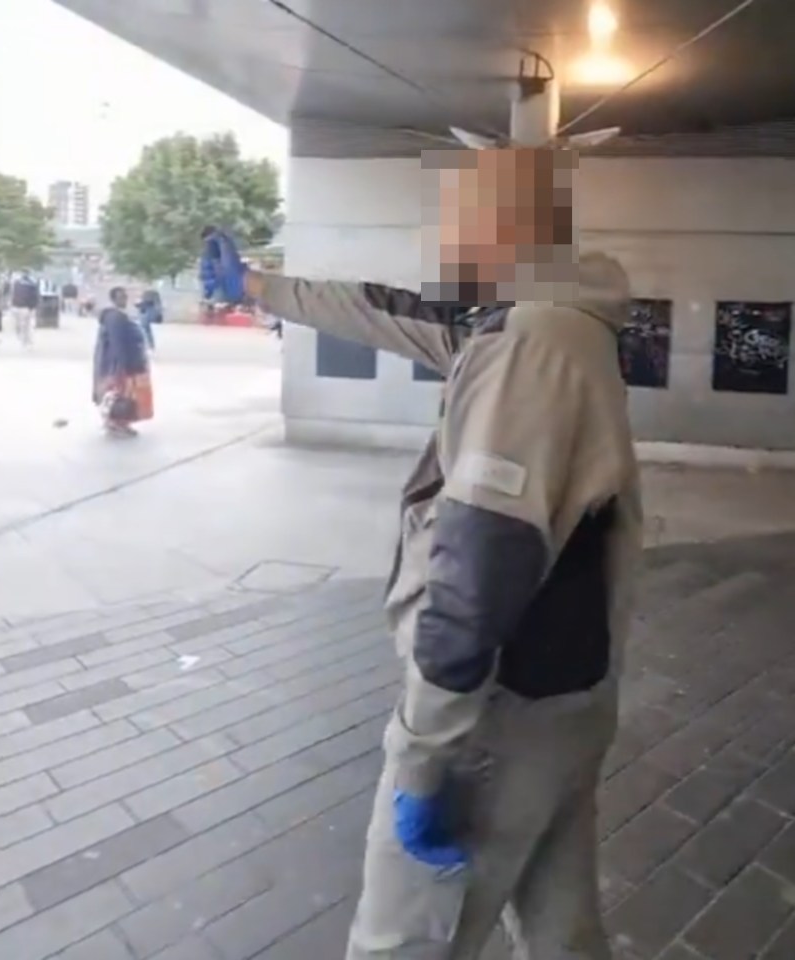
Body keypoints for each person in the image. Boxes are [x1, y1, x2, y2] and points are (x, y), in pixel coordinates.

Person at [239, 147, 643, 960]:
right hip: (565, 698)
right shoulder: (552, 316)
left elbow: (482, 567)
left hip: (498, 714)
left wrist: (422, 754)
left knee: (404, 938)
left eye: (456, 226)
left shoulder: (529, 340)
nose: (441, 247)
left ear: (512, 233)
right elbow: (385, 311)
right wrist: (259, 289)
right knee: (562, 931)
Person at [92, 287, 154, 437]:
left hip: (126, 362)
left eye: (125, 296)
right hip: (122, 364)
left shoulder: (119, 316)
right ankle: (116, 422)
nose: (124, 300)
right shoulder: (115, 317)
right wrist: (121, 365)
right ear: (113, 299)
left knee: (124, 395)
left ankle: (120, 422)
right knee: (120, 395)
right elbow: (117, 343)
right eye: (120, 297)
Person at [10, 269, 39, 346]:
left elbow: (13, 294)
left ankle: (23, 339)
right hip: (25, 307)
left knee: (21, 324)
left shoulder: (16, 283)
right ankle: (25, 339)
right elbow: (35, 297)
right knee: (25, 325)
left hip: (17, 306)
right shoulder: (32, 284)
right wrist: (33, 307)